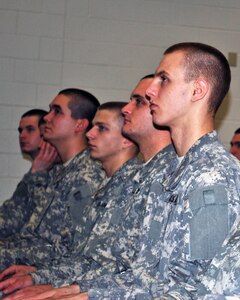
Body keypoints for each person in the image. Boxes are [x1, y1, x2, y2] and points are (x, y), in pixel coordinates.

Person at [0, 75, 177, 300]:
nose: (90, 134)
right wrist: (45, 279)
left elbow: (139, 273)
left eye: (101, 128)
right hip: (86, 282)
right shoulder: (124, 180)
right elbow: (86, 257)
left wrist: (51, 283)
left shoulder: (106, 179)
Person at [127, 42, 240, 299]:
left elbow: (191, 289)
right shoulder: (168, 170)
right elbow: (144, 277)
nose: (150, 92)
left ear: (197, 90)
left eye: (163, 80)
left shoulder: (214, 177)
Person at [0, 88, 106, 272]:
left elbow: (69, 250)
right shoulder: (60, 171)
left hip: (46, 272)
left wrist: (7, 253)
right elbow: (32, 236)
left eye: (57, 111)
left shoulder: (87, 176)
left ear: (79, 125)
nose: (47, 118)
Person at [0, 109, 59, 239]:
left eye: (30, 129)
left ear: (45, 133)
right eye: (20, 131)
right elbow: (11, 211)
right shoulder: (37, 169)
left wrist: (37, 173)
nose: (22, 136)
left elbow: (33, 222)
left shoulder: (55, 172)